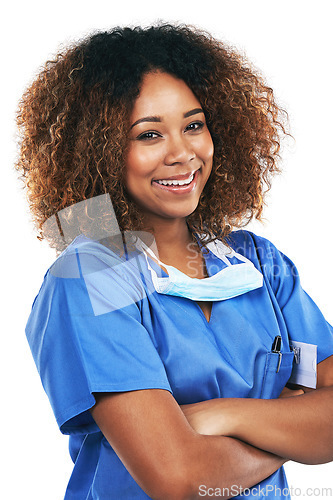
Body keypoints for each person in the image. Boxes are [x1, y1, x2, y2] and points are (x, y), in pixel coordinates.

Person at [16, 23, 333, 500]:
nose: (182, 153)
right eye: (148, 135)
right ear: (99, 151)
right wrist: (293, 428)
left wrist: (226, 415)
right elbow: (181, 480)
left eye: (193, 125)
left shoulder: (260, 263)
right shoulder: (88, 275)